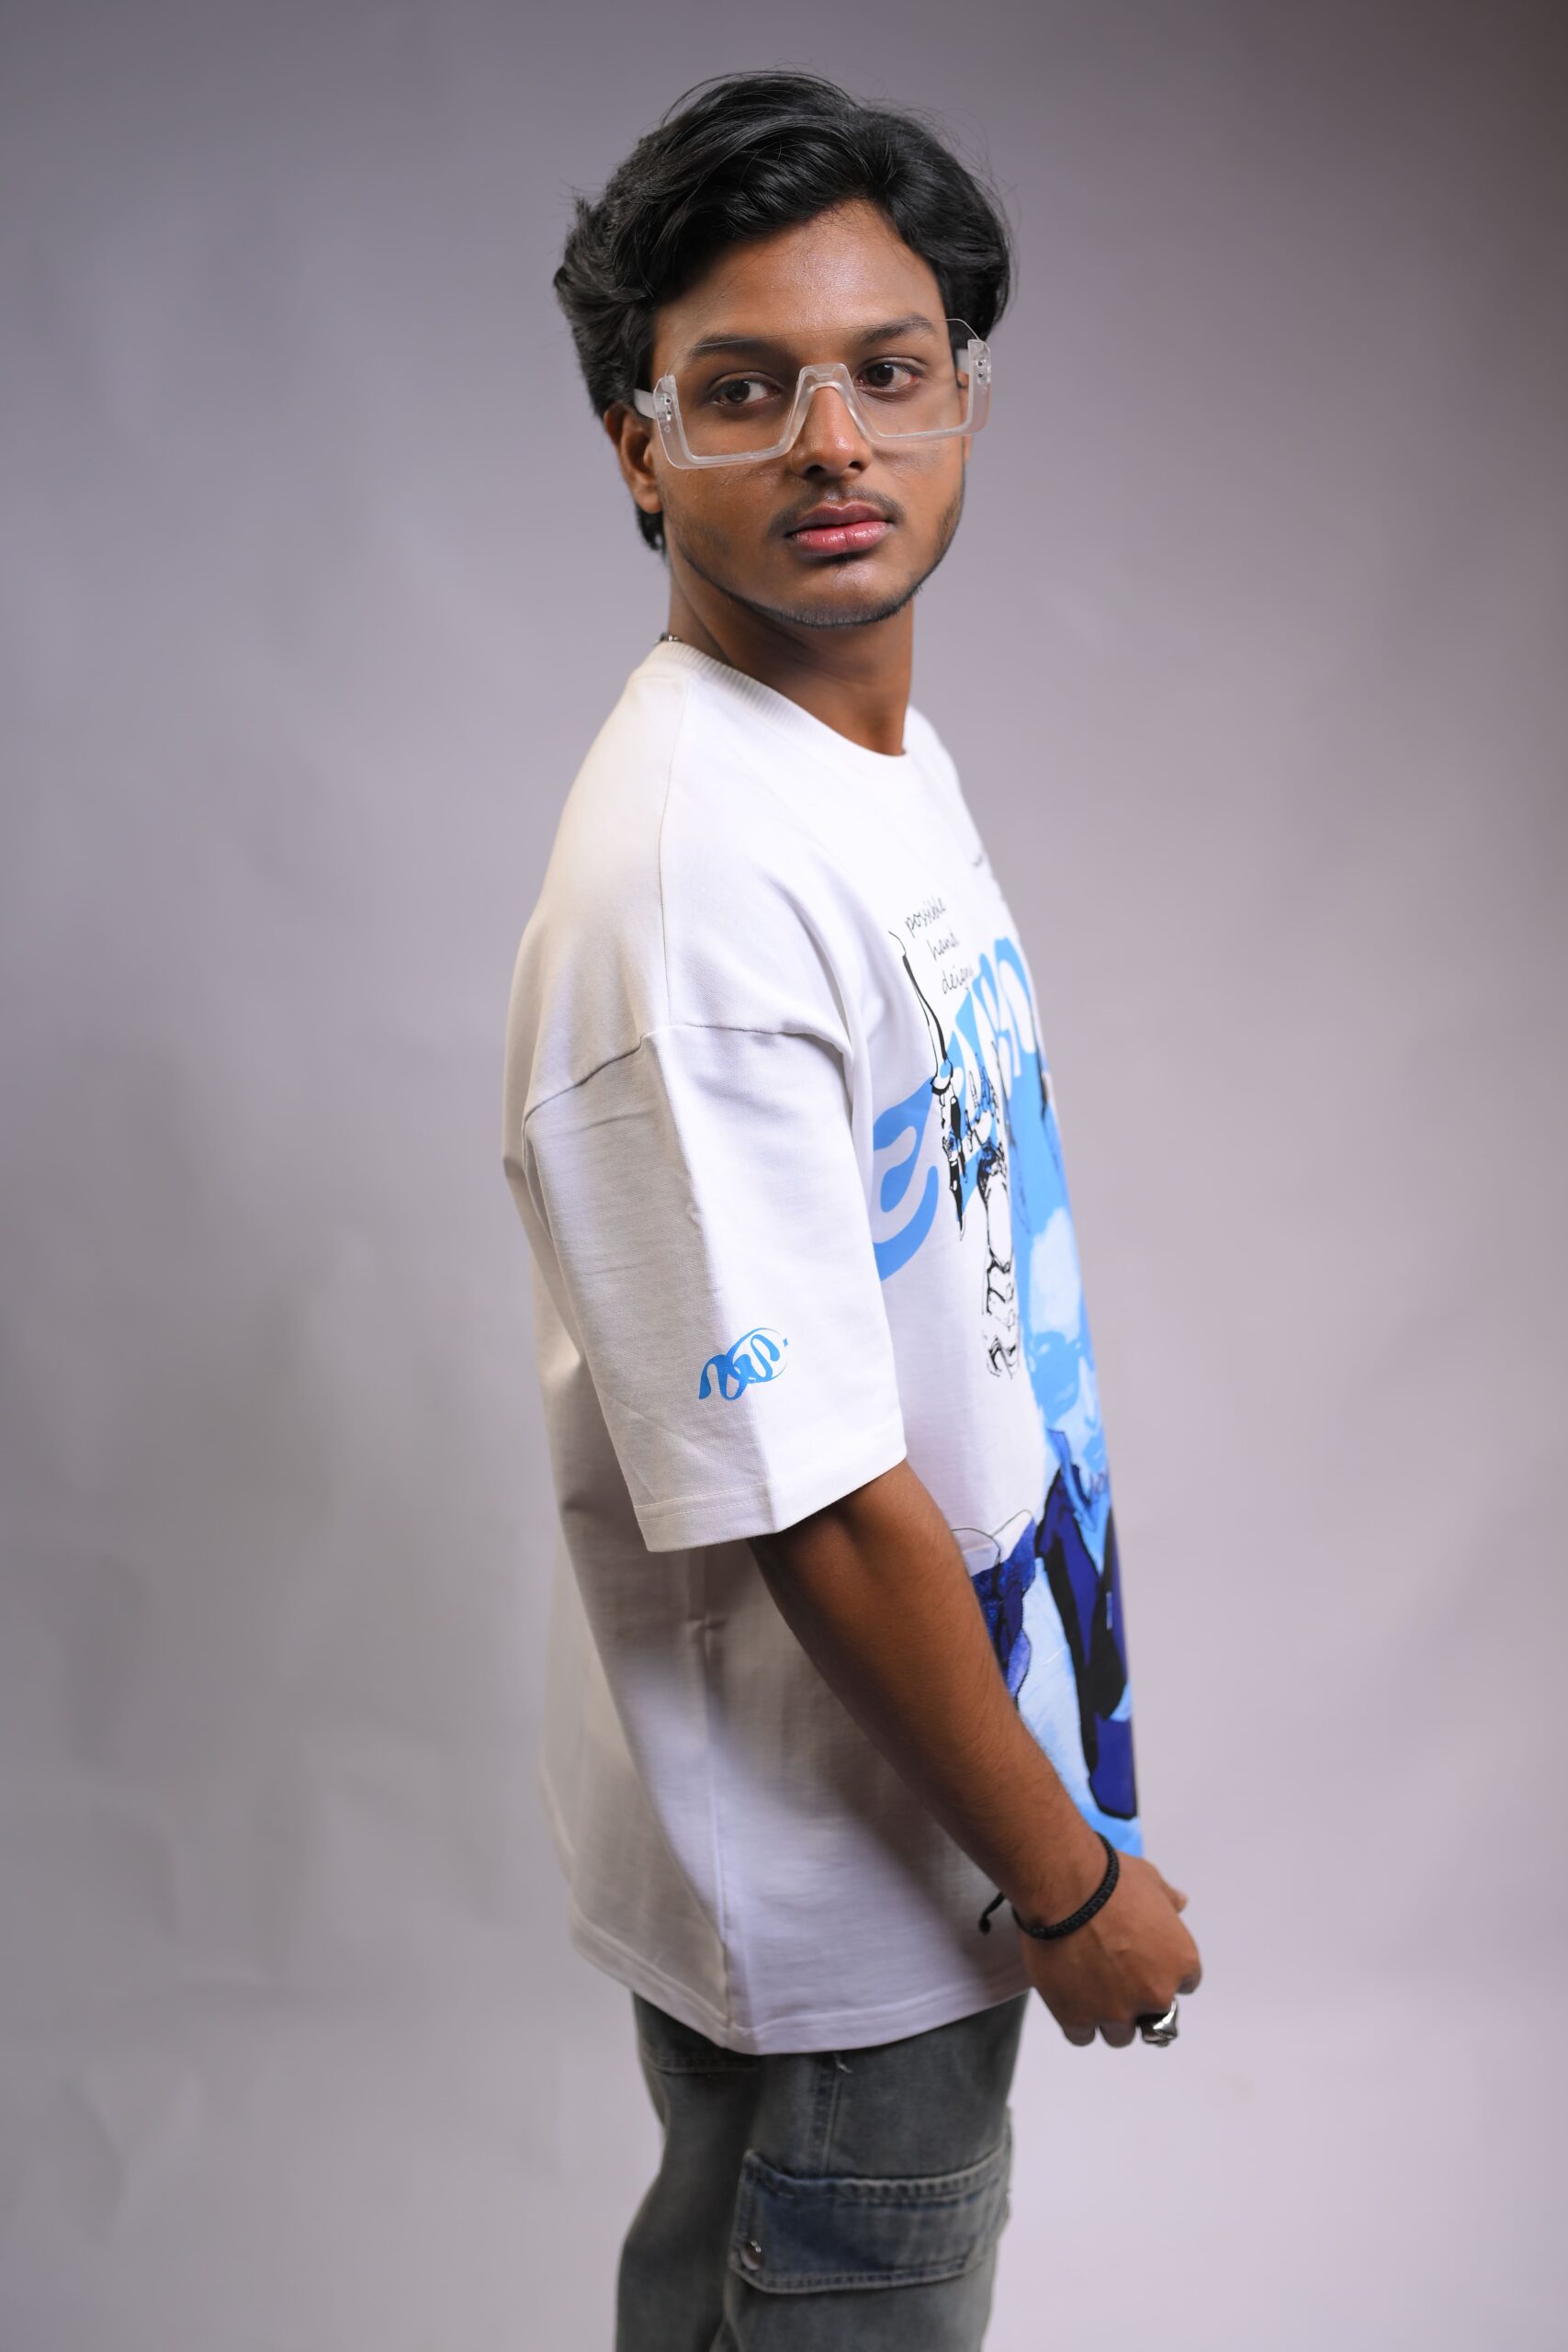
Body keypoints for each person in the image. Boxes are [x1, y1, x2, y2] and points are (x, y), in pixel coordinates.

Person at [501, 67, 1202, 2351]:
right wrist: (1063, 1876)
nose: (834, 443)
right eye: (743, 390)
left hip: (915, 1825)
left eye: (886, 372)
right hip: (850, 1895)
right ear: (638, 449)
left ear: (960, 398)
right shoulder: (691, 886)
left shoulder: (856, 755)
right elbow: (809, 1498)